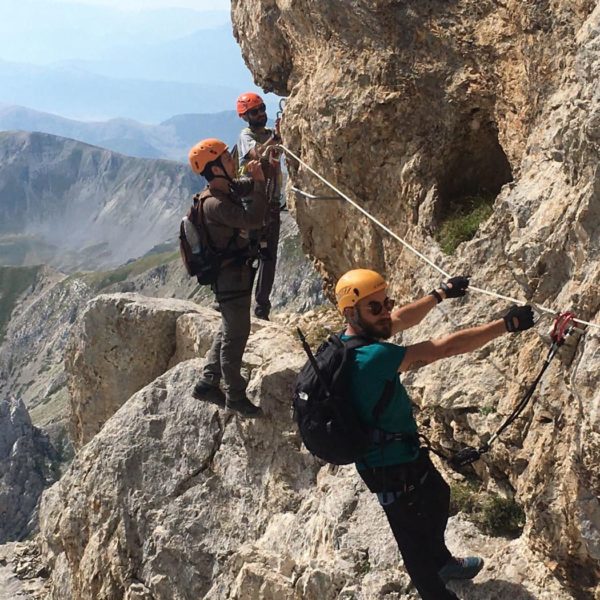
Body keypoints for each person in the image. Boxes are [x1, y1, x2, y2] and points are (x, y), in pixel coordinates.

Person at [334, 268, 535, 600]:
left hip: (400, 452)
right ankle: (435, 592)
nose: (385, 312)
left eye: (386, 302)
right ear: (350, 312)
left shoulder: (354, 339)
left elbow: (399, 319)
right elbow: (443, 348)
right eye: (375, 308)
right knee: (412, 538)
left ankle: (441, 561)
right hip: (387, 465)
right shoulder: (372, 358)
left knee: (438, 495)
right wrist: (505, 325)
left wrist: (440, 293)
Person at [188, 138, 268, 417]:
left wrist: (262, 162)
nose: (233, 161)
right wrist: (259, 183)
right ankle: (235, 395)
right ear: (215, 168)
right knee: (237, 334)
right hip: (231, 279)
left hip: (232, 277)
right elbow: (254, 219)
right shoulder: (215, 205)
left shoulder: (221, 190)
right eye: (227, 158)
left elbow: (245, 183)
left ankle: (207, 381)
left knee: (228, 327)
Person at [236, 91, 283, 321]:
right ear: (245, 116)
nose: (261, 114)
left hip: (271, 202)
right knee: (250, 254)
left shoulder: (268, 134)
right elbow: (259, 153)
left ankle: (262, 308)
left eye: (262, 108)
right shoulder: (246, 135)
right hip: (253, 203)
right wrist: (277, 137)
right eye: (255, 111)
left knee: (268, 256)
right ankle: (240, 303)